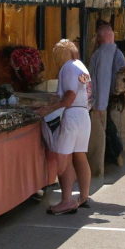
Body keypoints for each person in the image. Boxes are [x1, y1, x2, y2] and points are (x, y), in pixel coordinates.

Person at [41, 39, 93, 213]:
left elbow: (69, 96)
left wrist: (49, 109)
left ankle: (66, 201)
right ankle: (83, 196)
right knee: (80, 155)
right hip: (84, 114)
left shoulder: (68, 67)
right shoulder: (81, 66)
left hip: (71, 116)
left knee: (64, 158)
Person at [86, 21, 125, 177]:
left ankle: (96, 168)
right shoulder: (115, 51)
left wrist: (98, 105)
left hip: (100, 102)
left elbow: (102, 80)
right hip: (105, 100)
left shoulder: (104, 53)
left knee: (98, 136)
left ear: (99, 37)